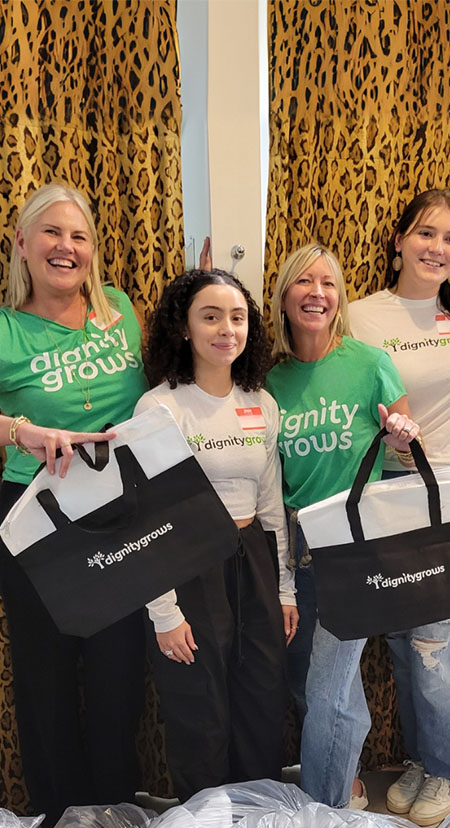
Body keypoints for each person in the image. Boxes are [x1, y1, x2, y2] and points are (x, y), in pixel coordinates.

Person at [0, 183, 149, 828]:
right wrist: (19, 430)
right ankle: (59, 827)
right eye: (51, 232)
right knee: (46, 679)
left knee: (118, 675)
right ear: (23, 244)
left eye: (79, 236)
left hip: (120, 509)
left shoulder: (121, 310)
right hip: (37, 515)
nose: (65, 246)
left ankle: (117, 820)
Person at [347, 189, 450, 827]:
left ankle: (446, 771)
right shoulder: (361, 315)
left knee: (437, 646)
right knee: (405, 645)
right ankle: (421, 759)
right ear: (399, 240)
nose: (438, 248)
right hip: (393, 492)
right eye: (426, 234)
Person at [265, 243, 420, 810]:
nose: (317, 293)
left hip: (354, 540)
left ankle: (323, 813)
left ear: (340, 298)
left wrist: (403, 438)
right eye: (304, 282)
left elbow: (410, 450)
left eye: (328, 283)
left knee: (327, 686)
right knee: (310, 678)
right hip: (292, 542)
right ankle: (348, 781)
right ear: (284, 298)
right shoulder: (270, 379)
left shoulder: (370, 363)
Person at [135, 269, 297, 799]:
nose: (226, 329)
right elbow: (147, 518)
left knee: (261, 698)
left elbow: (270, 504)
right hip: (188, 564)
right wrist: (164, 612)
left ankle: (258, 824)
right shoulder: (160, 407)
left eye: (237, 317)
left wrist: (285, 590)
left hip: (254, 561)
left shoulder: (261, 403)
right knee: (199, 708)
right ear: (184, 328)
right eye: (210, 316)